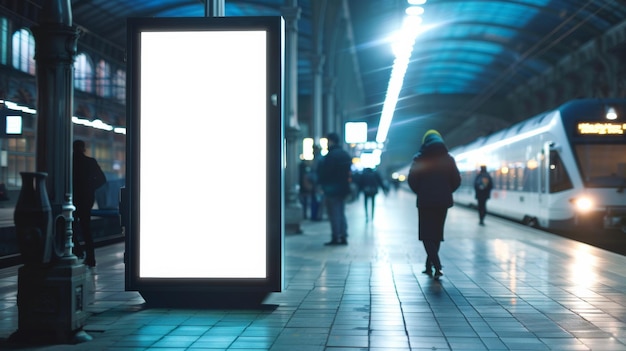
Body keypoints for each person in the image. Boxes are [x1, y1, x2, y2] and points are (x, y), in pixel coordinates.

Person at [408, 130, 460, 279]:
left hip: (425, 202)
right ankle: (428, 266)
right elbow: (457, 180)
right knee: (437, 234)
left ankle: (436, 266)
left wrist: (420, 191)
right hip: (443, 202)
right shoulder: (449, 159)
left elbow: (412, 179)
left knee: (426, 235)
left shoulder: (419, 159)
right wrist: (447, 191)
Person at [73, 139, 107, 267]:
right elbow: (102, 179)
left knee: (70, 228)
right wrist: (90, 187)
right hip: (86, 199)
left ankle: (77, 251)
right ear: (84, 148)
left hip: (71, 198)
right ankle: (91, 258)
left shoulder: (69, 161)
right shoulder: (90, 162)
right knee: (86, 228)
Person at [317, 132, 352, 245]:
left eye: (327, 141)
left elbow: (327, 173)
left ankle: (336, 236)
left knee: (333, 213)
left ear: (331, 141)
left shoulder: (331, 155)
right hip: (343, 188)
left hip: (332, 188)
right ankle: (343, 235)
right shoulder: (345, 154)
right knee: (341, 212)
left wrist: (322, 184)